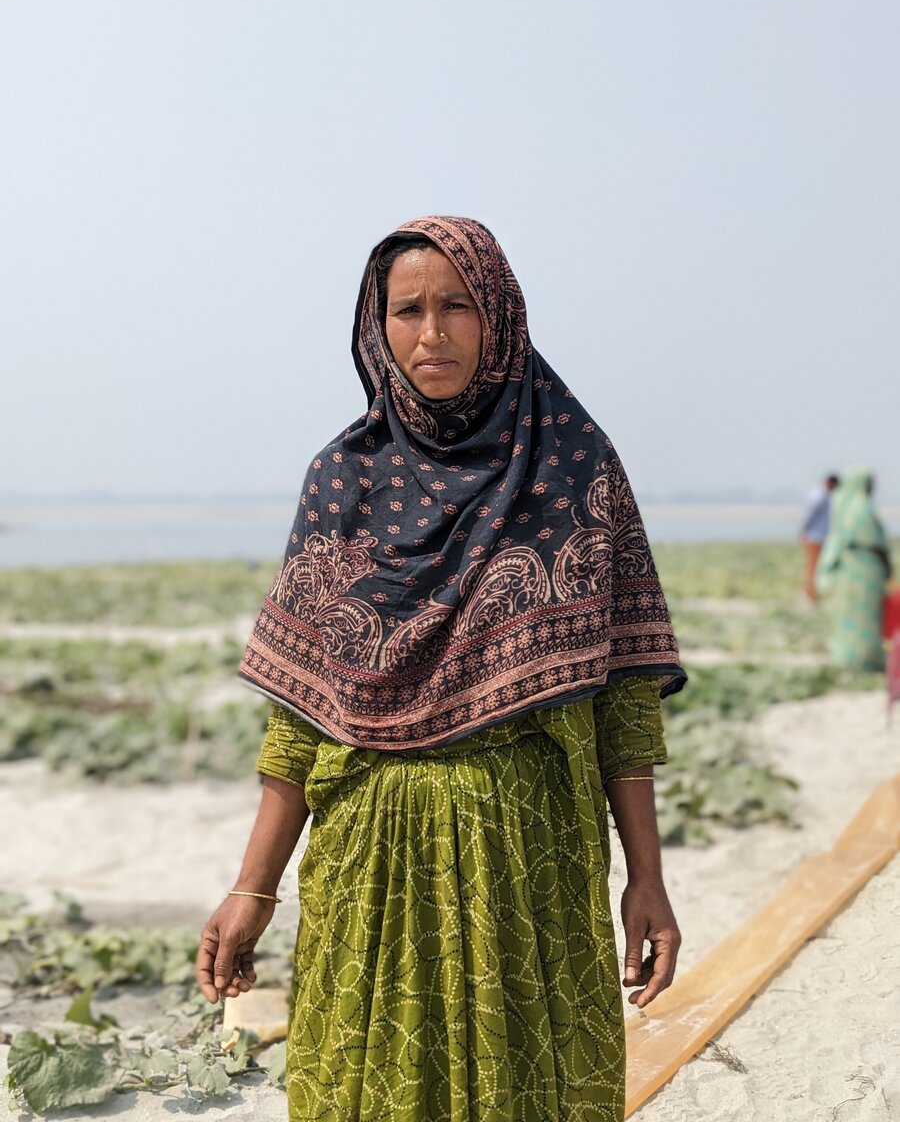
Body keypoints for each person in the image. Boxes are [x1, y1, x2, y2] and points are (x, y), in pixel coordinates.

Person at [195, 216, 686, 1122]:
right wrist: (251, 887)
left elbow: (622, 702)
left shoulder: (575, 468)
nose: (431, 334)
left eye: (457, 307)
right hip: (369, 858)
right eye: (407, 310)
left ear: (499, 316)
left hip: (531, 858)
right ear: (373, 327)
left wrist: (646, 878)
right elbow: (303, 714)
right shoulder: (342, 479)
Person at [815, 467, 892, 671]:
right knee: (861, 614)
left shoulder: (845, 506)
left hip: (855, 571)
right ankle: (860, 659)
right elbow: (874, 542)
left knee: (856, 614)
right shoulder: (859, 508)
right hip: (862, 570)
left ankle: (854, 657)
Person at [799, 473, 839, 601]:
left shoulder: (826, 496)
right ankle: (811, 594)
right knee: (813, 566)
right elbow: (810, 515)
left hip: (821, 536)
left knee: (817, 566)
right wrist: (803, 530)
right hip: (814, 536)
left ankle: (814, 592)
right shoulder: (820, 496)